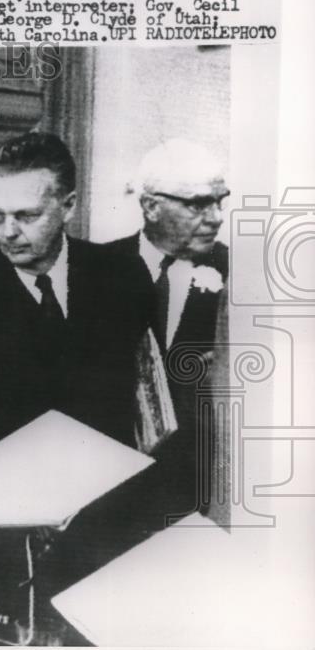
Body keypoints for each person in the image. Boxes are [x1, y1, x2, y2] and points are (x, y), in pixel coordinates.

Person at [0, 131, 152, 455]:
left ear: (68, 206)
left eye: (27, 216)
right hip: (6, 481)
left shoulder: (123, 276)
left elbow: (149, 396)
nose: (8, 233)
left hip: (109, 477)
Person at [103, 139, 231, 523]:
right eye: (198, 204)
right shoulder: (96, 269)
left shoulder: (240, 277)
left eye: (219, 201)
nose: (215, 217)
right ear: (150, 206)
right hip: (109, 493)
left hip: (197, 496)